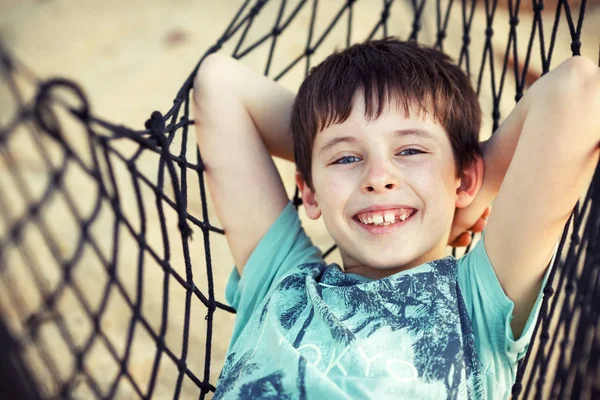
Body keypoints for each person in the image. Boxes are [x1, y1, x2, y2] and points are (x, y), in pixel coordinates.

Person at [192, 38, 600, 399]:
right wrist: (314, 140)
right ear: (310, 192)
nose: (378, 178)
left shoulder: (476, 301)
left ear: (466, 177)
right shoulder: (280, 280)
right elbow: (217, 82)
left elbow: (580, 91)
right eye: (346, 158)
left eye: (410, 151)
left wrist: (464, 194)